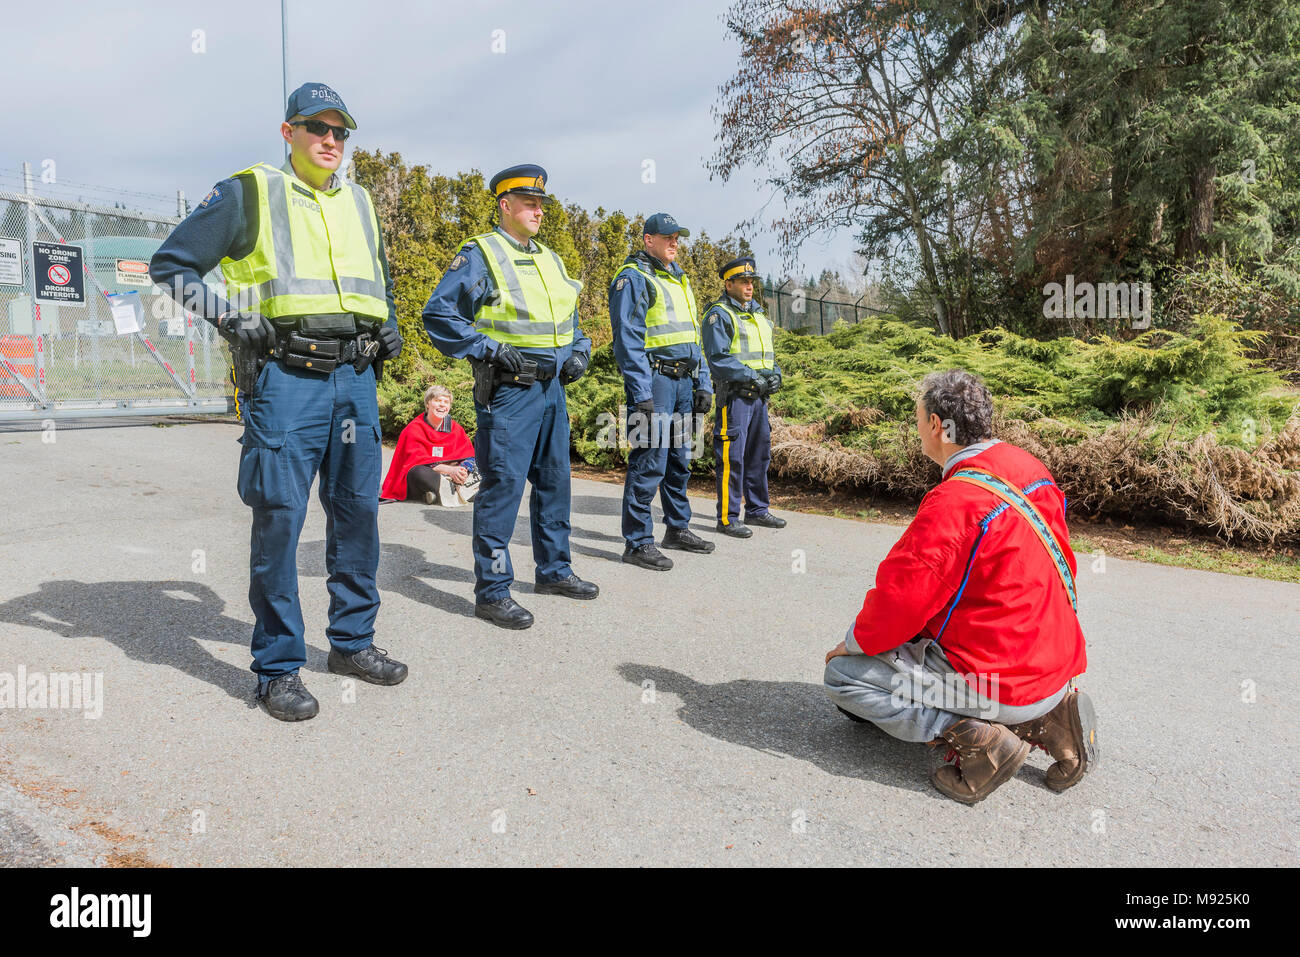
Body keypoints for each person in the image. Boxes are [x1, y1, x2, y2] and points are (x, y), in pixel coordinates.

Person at [149, 82, 408, 721]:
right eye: (316, 128)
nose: (330, 141)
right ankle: (278, 668)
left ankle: (351, 642)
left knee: (356, 516)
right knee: (281, 521)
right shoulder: (251, 191)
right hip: (287, 381)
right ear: (287, 132)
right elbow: (172, 265)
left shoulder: (362, 200)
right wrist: (230, 319)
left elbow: (374, 277)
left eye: (341, 132)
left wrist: (390, 318)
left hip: (356, 382)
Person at [822, 369, 1096, 804]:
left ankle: (984, 743)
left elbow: (900, 600)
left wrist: (854, 643)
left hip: (999, 682)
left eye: (918, 422)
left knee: (845, 678)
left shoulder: (955, 502)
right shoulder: (1029, 468)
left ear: (936, 426)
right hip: (1056, 665)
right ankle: (1054, 716)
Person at [421, 164, 597, 629]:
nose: (539, 210)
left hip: (553, 390)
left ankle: (554, 571)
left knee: (556, 483)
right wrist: (488, 348)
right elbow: (439, 315)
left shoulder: (551, 260)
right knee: (502, 489)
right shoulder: (481, 253)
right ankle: (493, 591)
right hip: (511, 393)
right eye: (529, 202)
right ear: (505, 205)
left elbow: (573, 324)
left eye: (541, 203)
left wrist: (581, 351)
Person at [608, 213, 715, 571]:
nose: (674, 243)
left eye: (677, 238)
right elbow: (627, 341)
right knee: (648, 460)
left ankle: (677, 528)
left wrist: (703, 382)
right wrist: (641, 393)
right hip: (654, 381)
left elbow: (693, 337)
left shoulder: (680, 279)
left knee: (679, 459)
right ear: (647, 239)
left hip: (684, 382)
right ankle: (637, 542)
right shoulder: (634, 278)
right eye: (667, 237)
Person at [701, 256, 786, 537]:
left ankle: (758, 510)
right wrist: (753, 377)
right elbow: (718, 359)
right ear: (729, 284)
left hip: (759, 398)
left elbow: (767, 354)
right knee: (732, 457)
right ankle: (727, 517)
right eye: (744, 282)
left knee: (759, 456)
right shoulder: (719, 314)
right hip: (736, 397)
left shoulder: (759, 314)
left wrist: (775, 374)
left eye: (752, 282)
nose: (750, 286)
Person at [379, 385, 479, 507]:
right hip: (431, 474)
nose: (442, 405)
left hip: (454, 474)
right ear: (428, 404)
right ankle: (461, 492)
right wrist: (449, 470)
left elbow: (469, 455)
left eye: (446, 402)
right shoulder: (413, 429)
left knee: (482, 467)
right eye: (437, 401)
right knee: (418, 473)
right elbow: (415, 462)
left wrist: (463, 470)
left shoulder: (456, 428)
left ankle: (437, 493)